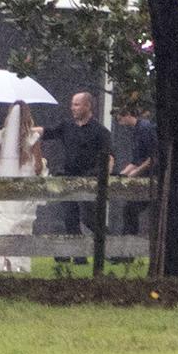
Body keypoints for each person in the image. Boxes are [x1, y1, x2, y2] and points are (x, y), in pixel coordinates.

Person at [38, 92, 113, 264]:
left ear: (88, 106)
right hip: (69, 178)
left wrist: (103, 181)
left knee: (90, 218)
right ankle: (79, 256)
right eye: (72, 104)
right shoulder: (67, 126)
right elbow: (47, 132)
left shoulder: (100, 132)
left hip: (89, 180)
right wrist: (26, 128)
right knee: (69, 217)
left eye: (77, 104)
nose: (73, 108)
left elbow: (109, 157)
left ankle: (112, 248)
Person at [0, 101, 46, 273]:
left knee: (4, 224)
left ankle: (6, 262)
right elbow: (37, 168)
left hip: (6, 185)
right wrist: (42, 163)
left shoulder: (2, 135)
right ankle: (20, 264)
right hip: (25, 187)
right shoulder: (32, 137)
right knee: (22, 226)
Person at [113, 107, 158, 263]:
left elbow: (153, 157)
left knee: (131, 210)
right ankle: (127, 253)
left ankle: (128, 253)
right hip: (143, 178)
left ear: (127, 114)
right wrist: (122, 174)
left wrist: (135, 173)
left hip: (152, 179)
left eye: (118, 116)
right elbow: (136, 159)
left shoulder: (145, 129)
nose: (117, 120)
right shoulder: (136, 130)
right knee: (129, 210)